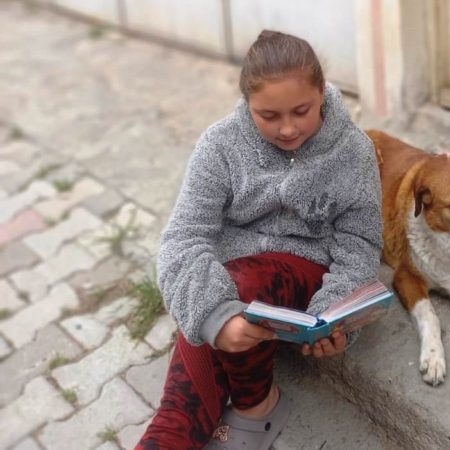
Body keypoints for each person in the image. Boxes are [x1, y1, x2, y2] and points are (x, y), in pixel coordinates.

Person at [137, 30, 383, 450]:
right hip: (232, 281)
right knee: (177, 410)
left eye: (301, 111)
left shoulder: (354, 151)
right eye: (268, 116)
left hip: (305, 274)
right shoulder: (219, 145)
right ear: (247, 103)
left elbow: (359, 243)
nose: (288, 129)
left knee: (239, 287)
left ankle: (257, 405)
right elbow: (184, 236)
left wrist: (334, 317)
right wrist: (215, 317)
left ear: (321, 92)